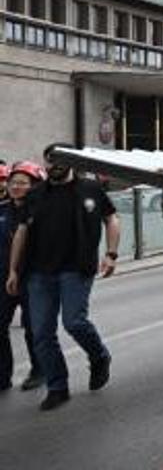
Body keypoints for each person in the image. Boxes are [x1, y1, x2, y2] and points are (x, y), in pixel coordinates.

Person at [6, 142, 120, 411]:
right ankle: (58, 387)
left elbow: (111, 218)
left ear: (73, 162)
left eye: (60, 159)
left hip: (76, 269)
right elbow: (22, 232)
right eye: (50, 159)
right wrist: (13, 269)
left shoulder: (90, 189)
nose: (54, 164)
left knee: (74, 322)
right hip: (38, 273)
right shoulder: (35, 195)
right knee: (42, 334)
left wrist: (111, 254)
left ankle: (99, 356)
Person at [0, 162, 45, 392]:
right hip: (3, 278)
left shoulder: (40, 212)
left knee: (33, 327)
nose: (16, 187)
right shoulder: (3, 209)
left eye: (23, 183)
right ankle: (2, 375)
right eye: (13, 182)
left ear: (34, 186)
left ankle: (39, 369)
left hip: (32, 278)